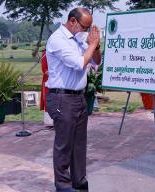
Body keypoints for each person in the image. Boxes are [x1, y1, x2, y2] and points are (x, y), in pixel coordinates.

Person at [45, 7, 101, 192]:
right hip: (61, 98)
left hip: (78, 98)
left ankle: (79, 181)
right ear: (72, 21)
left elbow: (96, 61)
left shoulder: (78, 38)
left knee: (79, 144)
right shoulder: (58, 40)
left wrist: (96, 46)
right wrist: (91, 44)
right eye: (84, 27)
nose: (86, 31)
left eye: (88, 28)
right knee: (64, 145)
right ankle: (63, 185)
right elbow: (79, 64)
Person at [39, 49, 53, 126]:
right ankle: (50, 122)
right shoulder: (45, 53)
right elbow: (45, 69)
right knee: (48, 100)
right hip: (49, 79)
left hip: (60, 81)